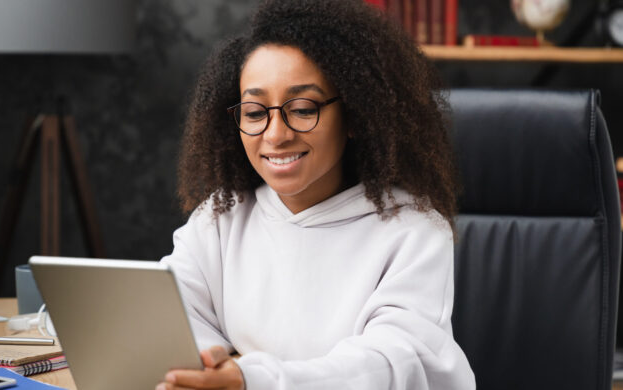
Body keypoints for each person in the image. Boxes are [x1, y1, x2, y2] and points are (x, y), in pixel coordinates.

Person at [157, 0, 475, 389]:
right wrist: (213, 369)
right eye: (256, 113)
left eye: (304, 108)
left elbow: (391, 363)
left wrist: (250, 378)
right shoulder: (220, 219)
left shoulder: (413, 231)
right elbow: (170, 315)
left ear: (356, 115)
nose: (276, 135)